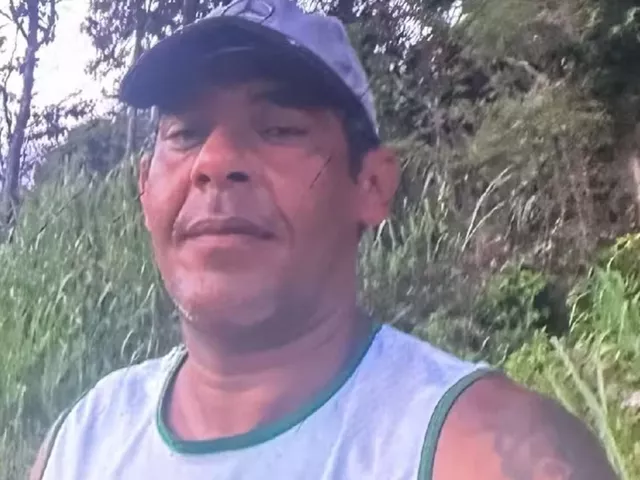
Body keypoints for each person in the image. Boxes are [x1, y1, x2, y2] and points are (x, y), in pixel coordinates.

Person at [31, 1, 618, 479]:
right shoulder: (81, 443)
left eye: (279, 129)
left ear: (372, 184)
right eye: (185, 133)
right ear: (144, 188)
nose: (214, 162)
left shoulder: (486, 451)